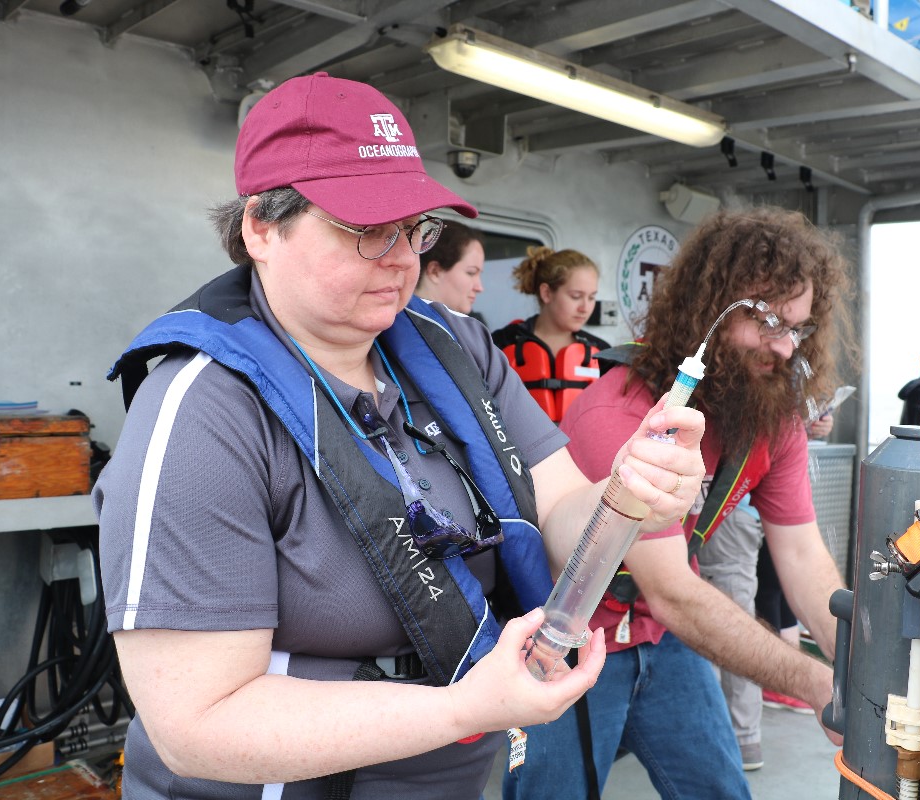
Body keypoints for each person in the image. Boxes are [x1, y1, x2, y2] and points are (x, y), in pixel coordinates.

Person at [94, 73, 707, 800]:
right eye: (363, 230)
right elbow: (196, 722)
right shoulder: (203, 411)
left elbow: (563, 510)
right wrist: (461, 707)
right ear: (260, 226)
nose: (401, 259)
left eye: (415, 229)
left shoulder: (456, 349)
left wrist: (631, 495)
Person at [504, 207, 852, 800]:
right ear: (705, 312)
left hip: (664, 645)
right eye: (767, 323)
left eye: (798, 328)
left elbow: (801, 553)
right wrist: (815, 682)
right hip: (568, 636)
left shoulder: (769, 411)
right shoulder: (625, 412)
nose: (786, 348)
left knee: (720, 791)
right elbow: (669, 589)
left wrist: (861, 667)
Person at [696, 411, 835, 772]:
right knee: (739, 609)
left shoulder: (778, 424)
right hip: (734, 507)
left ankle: (739, 738)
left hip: (729, 505)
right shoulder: (777, 405)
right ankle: (739, 737)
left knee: (730, 618)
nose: (781, 350)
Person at [492, 247, 611, 422]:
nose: (585, 308)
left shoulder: (603, 352)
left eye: (592, 297)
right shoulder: (501, 343)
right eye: (576, 296)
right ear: (546, 293)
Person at [415, 220, 487, 316]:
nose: (479, 288)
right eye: (471, 273)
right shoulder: (400, 324)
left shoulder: (465, 326)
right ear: (435, 271)